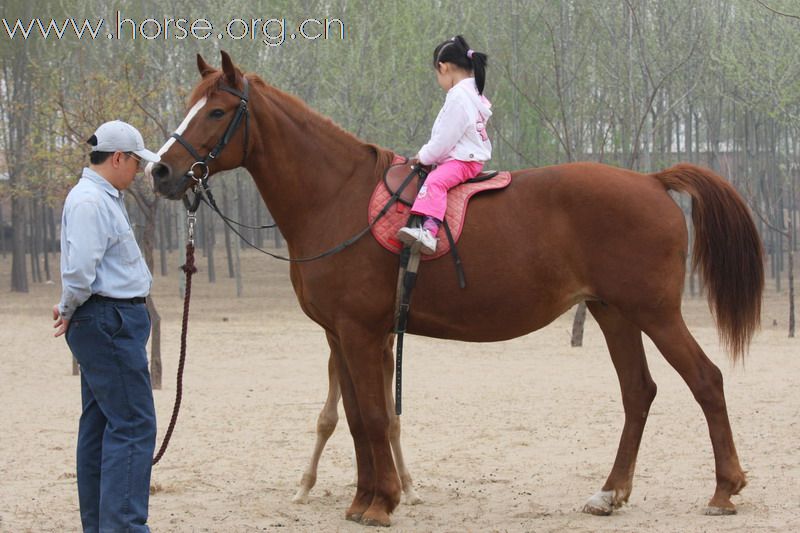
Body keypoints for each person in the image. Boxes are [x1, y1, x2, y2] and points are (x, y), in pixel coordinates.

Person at [52, 120, 161, 533]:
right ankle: (123, 528)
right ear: (118, 157)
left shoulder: (100, 197)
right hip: (108, 319)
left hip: (107, 318)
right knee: (133, 424)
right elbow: (80, 272)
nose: (138, 171)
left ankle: (101, 526)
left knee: (101, 425)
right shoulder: (89, 202)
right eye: (135, 161)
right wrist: (67, 307)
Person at [397, 35, 492, 254]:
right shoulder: (473, 92)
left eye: (436, 75)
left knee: (435, 182)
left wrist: (425, 156)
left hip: (462, 161)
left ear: (443, 68)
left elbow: (445, 138)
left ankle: (429, 232)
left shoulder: (459, 96)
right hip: (468, 158)